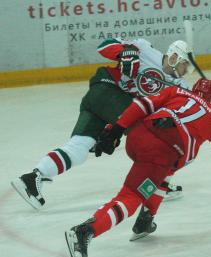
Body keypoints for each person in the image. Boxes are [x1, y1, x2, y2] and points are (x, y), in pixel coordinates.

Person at [64, 78, 211, 257]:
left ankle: (146, 220)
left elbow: (142, 105)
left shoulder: (177, 92)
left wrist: (116, 129)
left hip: (138, 136)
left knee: (164, 172)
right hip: (161, 151)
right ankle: (86, 230)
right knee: (131, 196)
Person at [11, 37, 194, 210]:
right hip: (107, 88)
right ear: (175, 56)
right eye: (185, 64)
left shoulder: (181, 86)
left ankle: (33, 177)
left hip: (102, 102)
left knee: (79, 148)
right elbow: (104, 46)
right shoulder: (144, 48)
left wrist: (207, 100)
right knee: (151, 139)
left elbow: (187, 108)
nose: (186, 70)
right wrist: (124, 53)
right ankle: (155, 184)